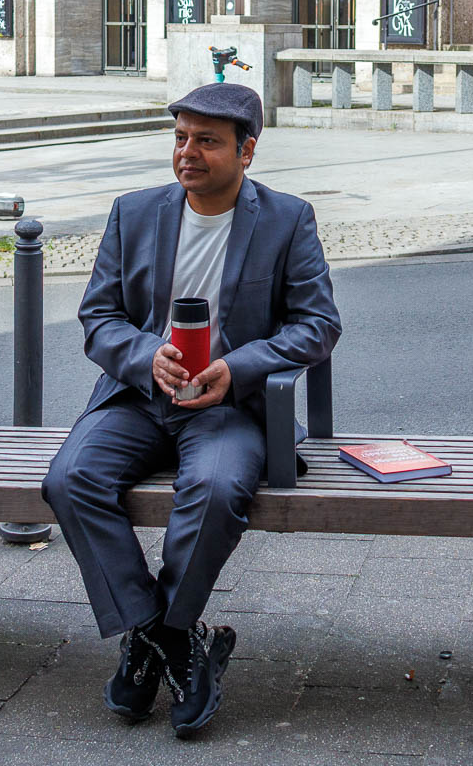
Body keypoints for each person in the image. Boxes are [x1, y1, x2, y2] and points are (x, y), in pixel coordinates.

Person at [43, 83, 340, 738]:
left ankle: (162, 633)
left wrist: (237, 369)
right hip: (140, 398)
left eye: (207, 141)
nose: (188, 153)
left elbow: (317, 326)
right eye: (181, 138)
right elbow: (98, 317)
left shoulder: (288, 220)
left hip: (228, 406)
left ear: (247, 150)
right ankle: (169, 639)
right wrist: (146, 355)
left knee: (214, 488)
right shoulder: (136, 213)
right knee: (70, 479)